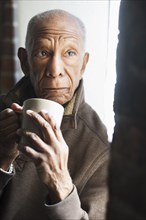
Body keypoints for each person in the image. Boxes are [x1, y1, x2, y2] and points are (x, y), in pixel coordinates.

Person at [0, 9, 109, 220]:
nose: (55, 69)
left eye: (69, 53)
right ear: (25, 61)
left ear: (84, 64)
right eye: (43, 53)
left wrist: (60, 183)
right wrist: (2, 159)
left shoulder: (98, 145)